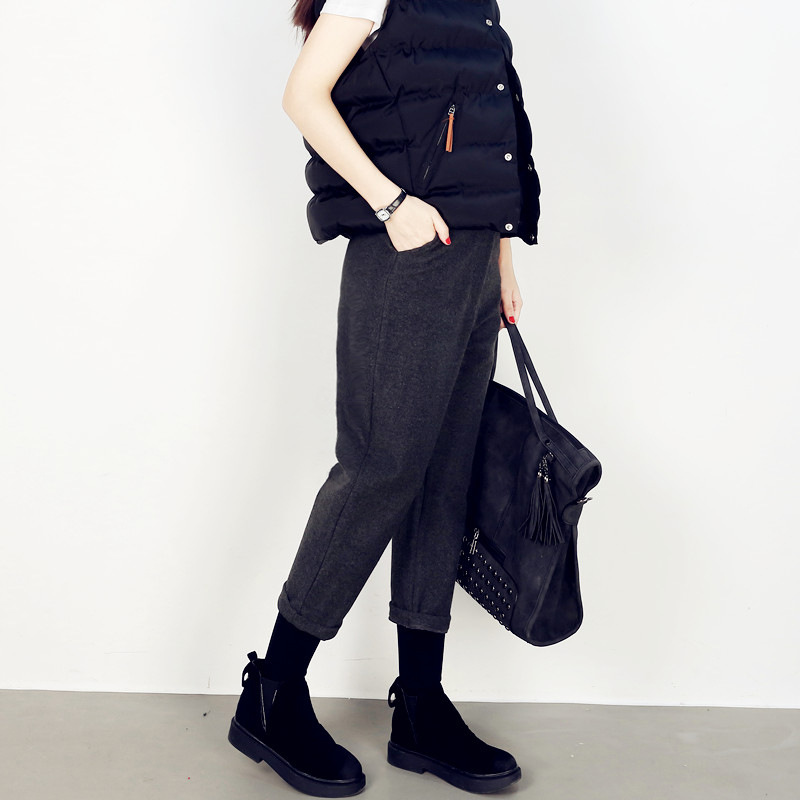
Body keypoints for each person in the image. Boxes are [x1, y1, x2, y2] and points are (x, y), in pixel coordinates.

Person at [227, 0, 541, 795]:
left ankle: (421, 706)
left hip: (471, 257)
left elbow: (487, 129)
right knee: (381, 469)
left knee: (442, 476)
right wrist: (391, 204)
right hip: (408, 256)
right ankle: (273, 691)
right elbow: (304, 94)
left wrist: (501, 255)